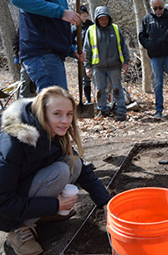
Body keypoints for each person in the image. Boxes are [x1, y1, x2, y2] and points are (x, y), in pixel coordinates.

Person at [0, 86, 111, 255]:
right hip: (6, 213)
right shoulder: (13, 143)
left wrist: (105, 202)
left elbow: (83, 172)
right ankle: (18, 230)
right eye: (57, 113)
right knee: (60, 170)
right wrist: (55, 204)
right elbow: (3, 203)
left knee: (74, 163)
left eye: (69, 114)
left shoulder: (54, 134)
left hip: (25, 190)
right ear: (42, 113)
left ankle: (43, 215)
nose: (65, 121)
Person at [10, 0, 85, 92]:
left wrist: (72, 50)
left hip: (50, 56)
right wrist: (61, 12)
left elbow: (52, 30)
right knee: (57, 104)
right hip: (43, 55)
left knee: (54, 104)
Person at [139, 0, 168, 120]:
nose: (158, 11)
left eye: (160, 8)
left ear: (164, 6)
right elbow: (141, 36)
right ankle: (158, 111)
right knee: (158, 84)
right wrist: (150, 45)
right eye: (155, 8)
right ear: (151, 7)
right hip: (155, 56)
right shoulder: (146, 19)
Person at [83, 6, 130, 121]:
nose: (104, 21)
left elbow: (123, 46)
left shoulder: (115, 29)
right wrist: (87, 67)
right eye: (101, 19)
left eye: (106, 18)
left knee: (117, 88)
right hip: (98, 67)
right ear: (97, 19)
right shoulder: (91, 30)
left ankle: (121, 111)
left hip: (115, 66)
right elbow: (87, 50)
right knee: (100, 90)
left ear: (109, 18)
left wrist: (126, 62)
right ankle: (103, 110)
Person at [71, 5, 94, 104]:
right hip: (81, 56)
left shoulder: (92, 26)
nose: (84, 16)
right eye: (82, 14)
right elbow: (70, 41)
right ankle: (87, 99)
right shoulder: (75, 28)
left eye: (86, 14)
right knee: (85, 79)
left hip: (93, 55)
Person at [12, 29, 36, 98]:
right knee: (25, 83)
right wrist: (16, 55)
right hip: (25, 59)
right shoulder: (23, 28)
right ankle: (23, 103)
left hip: (40, 59)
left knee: (35, 85)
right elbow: (16, 42)